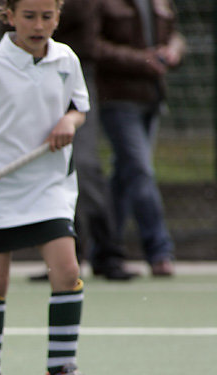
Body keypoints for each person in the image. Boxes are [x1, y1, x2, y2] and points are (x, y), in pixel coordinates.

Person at [0, 0, 101, 375]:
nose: (39, 25)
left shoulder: (66, 58)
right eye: (29, 16)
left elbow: (79, 107)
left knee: (67, 270)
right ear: (9, 15)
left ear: (58, 15)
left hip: (50, 186)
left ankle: (62, 373)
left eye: (47, 16)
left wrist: (70, 121)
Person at [28, 0, 137, 281]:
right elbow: (10, 21)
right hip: (31, 74)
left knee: (85, 166)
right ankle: (65, 256)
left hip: (75, 72)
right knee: (49, 169)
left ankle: (109, 253)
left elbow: (76, 14)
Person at [94, 0, 184, 277]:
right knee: (141, 171)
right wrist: (140, 60)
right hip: (117, 99)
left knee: (124, 176)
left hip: (152, 97)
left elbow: (175, 35)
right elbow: (92, 45)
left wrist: (173, 51)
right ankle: (159, 250)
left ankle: (104, 251)